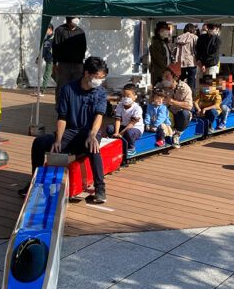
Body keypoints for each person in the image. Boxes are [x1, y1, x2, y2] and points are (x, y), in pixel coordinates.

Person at [22, 56, 109, 203]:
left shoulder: (100, 92)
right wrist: (58, 140)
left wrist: (93, 135)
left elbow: (99, 116)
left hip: (90, 132)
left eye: (103, 78)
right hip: (70, 132)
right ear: (87, 73)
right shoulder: (68, 89)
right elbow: (62, 117)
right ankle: (35, 183)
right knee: (39, 143)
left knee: (93, 147)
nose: (100, 81)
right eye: (97, 77)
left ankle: (100, 188)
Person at [154, 62, 193, 148]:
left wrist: (172, 101)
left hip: (178, 114)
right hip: (166, 115)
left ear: (175, 77)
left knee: (185, 114)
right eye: (163, 76)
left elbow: (189, 106)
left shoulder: (184, 88)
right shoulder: (160, 86)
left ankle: (177, 135)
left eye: (167, 76)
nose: (164, 79)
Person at [52, 16, 86, 98]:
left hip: (78, 64)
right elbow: (55, 47)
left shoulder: (81, 31)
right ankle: (60, 106)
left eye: (78, 17)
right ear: (69, 19)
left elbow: (83, 47)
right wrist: (54, 63)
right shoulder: (60, 30)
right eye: (75, 17)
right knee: (62, 86)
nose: (77, 19)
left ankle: (74, 105)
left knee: (77, 86)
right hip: (64, 64)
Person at [108, 83, 144, 156]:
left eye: (128, 96)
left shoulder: (137, 108)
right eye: (124, 96)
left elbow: (132, 123)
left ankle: (132, 148)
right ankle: (114, 143)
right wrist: (116, 132)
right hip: (123, 126)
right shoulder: (120, 105)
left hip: (135, 128)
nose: (125, 98)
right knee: (110, 128)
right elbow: (118, 119)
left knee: (129, 132)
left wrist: (121, 133)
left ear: (135, 97)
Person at [174, 23, 198, 91]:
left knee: (180, 81)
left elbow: (173, 51)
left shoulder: (178, 37)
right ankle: (189, 96)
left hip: (180, 63)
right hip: (191, 62)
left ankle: (180, 94)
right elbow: (198, 50)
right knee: (191, 80)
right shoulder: (194, 37)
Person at [34, 23, 54, 96]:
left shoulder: (54, 38)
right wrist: (38, 58)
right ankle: (62, 86)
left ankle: (42, 91)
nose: (45, 31)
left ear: (50, 29)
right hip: (47, 59)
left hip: (52, 60)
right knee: (53, 75)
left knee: (46, 75)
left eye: (47, 29)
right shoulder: (45, 40)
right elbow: (42, 51)